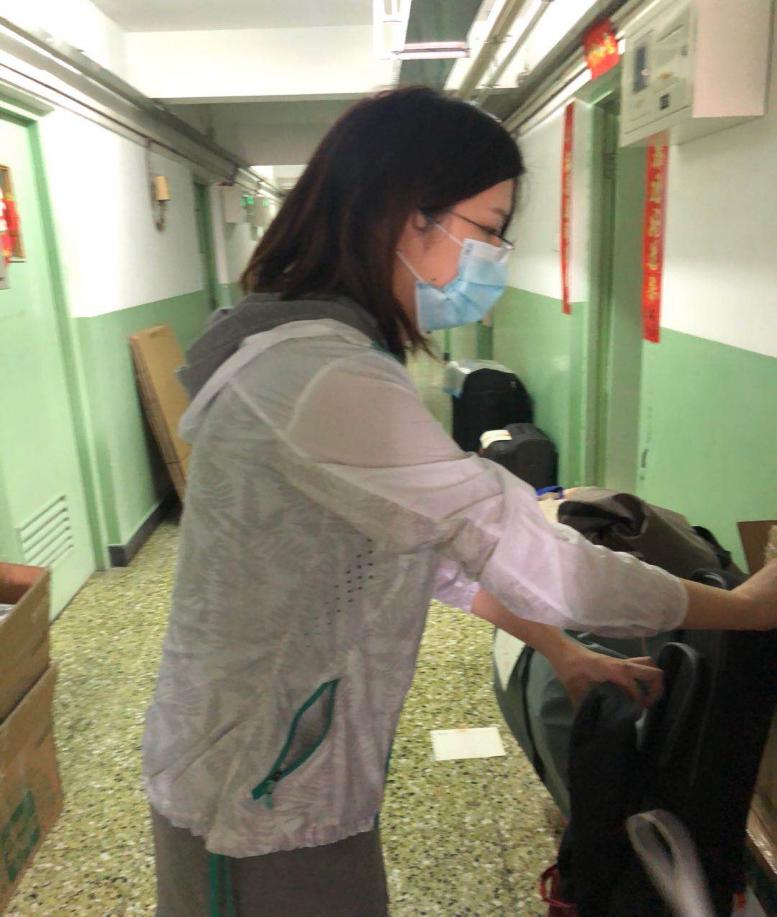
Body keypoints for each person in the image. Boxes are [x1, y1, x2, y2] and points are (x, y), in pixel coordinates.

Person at [142, 86, 777, 916]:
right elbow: (538, 560)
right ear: (410, 216)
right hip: (252, 787)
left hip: (282, 753)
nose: (495, 257)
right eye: (489, 228)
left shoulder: (306, 349)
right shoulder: (322, 375)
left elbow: (424, 549)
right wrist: (746, 607)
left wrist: (559, 648)